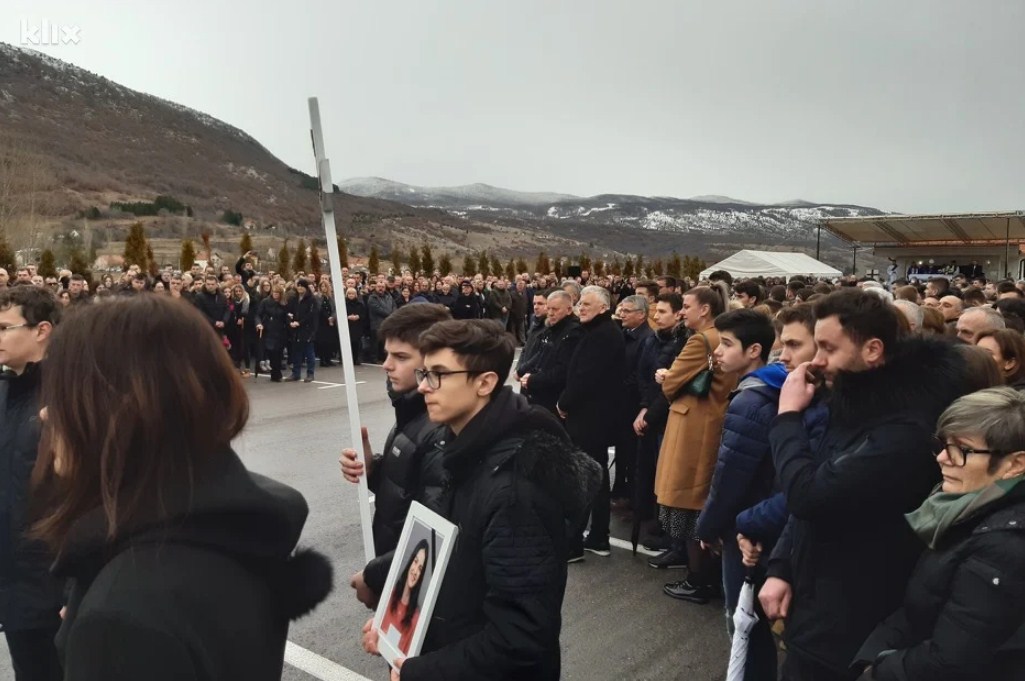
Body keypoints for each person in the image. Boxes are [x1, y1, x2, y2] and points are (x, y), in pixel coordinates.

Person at [33, 295, 332, 680]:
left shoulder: (123, 617)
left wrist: (99, 617)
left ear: (121, 412)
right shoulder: (229, 528)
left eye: (63, 394)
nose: (45, 413)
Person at [361, 319, 601, 681]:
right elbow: (450, 556)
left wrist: (422, 671)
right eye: (424, 372)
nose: (423, 386)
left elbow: (520, 637)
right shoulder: (462, 449)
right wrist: (392, 619)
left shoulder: (515, 488)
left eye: (439, 375)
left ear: (485, 383)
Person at [760, 289, 969, 681]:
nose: (816, 361)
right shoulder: (854, 401)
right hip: (816, 605)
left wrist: (787, 417)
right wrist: (782, 566)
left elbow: (810, 495)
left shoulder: (904, 428)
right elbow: (818, 481)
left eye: (828, 348)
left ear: (872, 349)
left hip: (852, 625)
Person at [854, 387, 1025, 680]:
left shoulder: (1004, 546)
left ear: (1015, 464)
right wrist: (871, 657)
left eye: (963, 450)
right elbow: (916, 612)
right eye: (943, 445)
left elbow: (952, 660)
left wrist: (876, 672)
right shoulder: (960, 508)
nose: (942, 458)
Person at [340, 304, 451, 605]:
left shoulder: (441, 429)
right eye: (387, 354)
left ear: (434, 362)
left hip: (422, 593)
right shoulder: (410, 411)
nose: (386, 365)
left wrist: (375, 576)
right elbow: (408, 489)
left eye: (401, 357)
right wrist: (373, 469)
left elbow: (433, 534)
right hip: (401, 571)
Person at [695, 309, 785, 676]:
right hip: (761, 517)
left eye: (727, 344)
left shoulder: (750, 402)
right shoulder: (771, 390)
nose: (717, 351)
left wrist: (707, 526)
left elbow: (730, 477)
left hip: (744, 525)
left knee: (744, 622)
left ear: (754, 351)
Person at [656, 283, 737, 603]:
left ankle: (698, 579)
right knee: (701, 498)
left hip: (693, 425)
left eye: (686, 307)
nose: (682, 313)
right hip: (712, 420)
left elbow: (672, 383)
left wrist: (665, 376)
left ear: (705, 309)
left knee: (689, 502)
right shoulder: (723, 336)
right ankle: (706, 576)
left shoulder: (700, 340)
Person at [0, 287, 64, 681]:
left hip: (57, 586)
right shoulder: (5, 390)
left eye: (4, 328)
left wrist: (78, 588)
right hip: (14, 586)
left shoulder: (69, 394)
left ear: (41, 330)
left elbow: (92, 498)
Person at [559, 286, 626, 560]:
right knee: (595, 477)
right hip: (593, 416)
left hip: (591, 418)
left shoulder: (603, 335)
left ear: (603, 307)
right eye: (580, 304)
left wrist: (564, 402)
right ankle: (598, 536)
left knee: (586, 477)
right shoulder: (598, 332)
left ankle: (575, 542)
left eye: (587, 304)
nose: (581, 308)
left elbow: (585, 377)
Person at [610, 295, 654, 507]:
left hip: (633, 402)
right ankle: (620, 489)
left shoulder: (646, 338)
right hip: (622, 402)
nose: (622, 314)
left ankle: (632, 496)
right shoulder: (625, 333)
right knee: (621, 449)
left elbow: (640, 373)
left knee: (631, 453)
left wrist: (619, 387)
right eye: (621, 309)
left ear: (641, 315)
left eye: (627, 311)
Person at [519, 291, 581, 414]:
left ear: (569, 310)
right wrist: (524, 371)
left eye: (555, 309)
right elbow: (541, 355)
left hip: (554, 397)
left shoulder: (573, 333)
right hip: (541, 393)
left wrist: (534, 379)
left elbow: (562, 370)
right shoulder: (552, 328)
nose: (551, 313)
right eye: (549, 308)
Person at [379, 539, 428, 655]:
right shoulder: (390, 595)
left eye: (420, 568)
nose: (415, 571)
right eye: (415, 562)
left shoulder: (415, 620)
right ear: (410, 561)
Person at [286, 279, 319, 382]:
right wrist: (290, 321)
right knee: (296, 352)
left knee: (309, 352)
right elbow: (288, 312)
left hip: (307, 329)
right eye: (298, 286)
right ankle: (296, 373)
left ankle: (310, 373)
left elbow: (311, 315)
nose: (300, 288)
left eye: (302, 286)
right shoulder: (293, 299)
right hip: (295, 329)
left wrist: (300, 322)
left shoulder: (311, 299)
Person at [255, 285, 289, 382]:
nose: (275, 295)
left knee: (279, 353)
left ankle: (276, 373)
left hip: (281, 331)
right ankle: (276, 373)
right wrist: (258, 323)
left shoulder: (284, 303)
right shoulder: (265, 302)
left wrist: (289, 319)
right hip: (268, 330)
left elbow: (286, 316)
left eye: (277, 293)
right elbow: (258, 314)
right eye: (274, 292)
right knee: (272, 352)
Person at [343, 287, 367, 366]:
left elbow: (364, 314)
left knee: (356, 343)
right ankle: (347, 359)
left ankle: (356, 358)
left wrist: (358, 316)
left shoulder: (360, 304)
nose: (351, 295)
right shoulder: (344, 304)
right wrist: (347, 317)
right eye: (349, 294)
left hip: (357, 326)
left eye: (353, 294)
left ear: (356, 295)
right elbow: (340, 314)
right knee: (347, 343)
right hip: (347, 326)